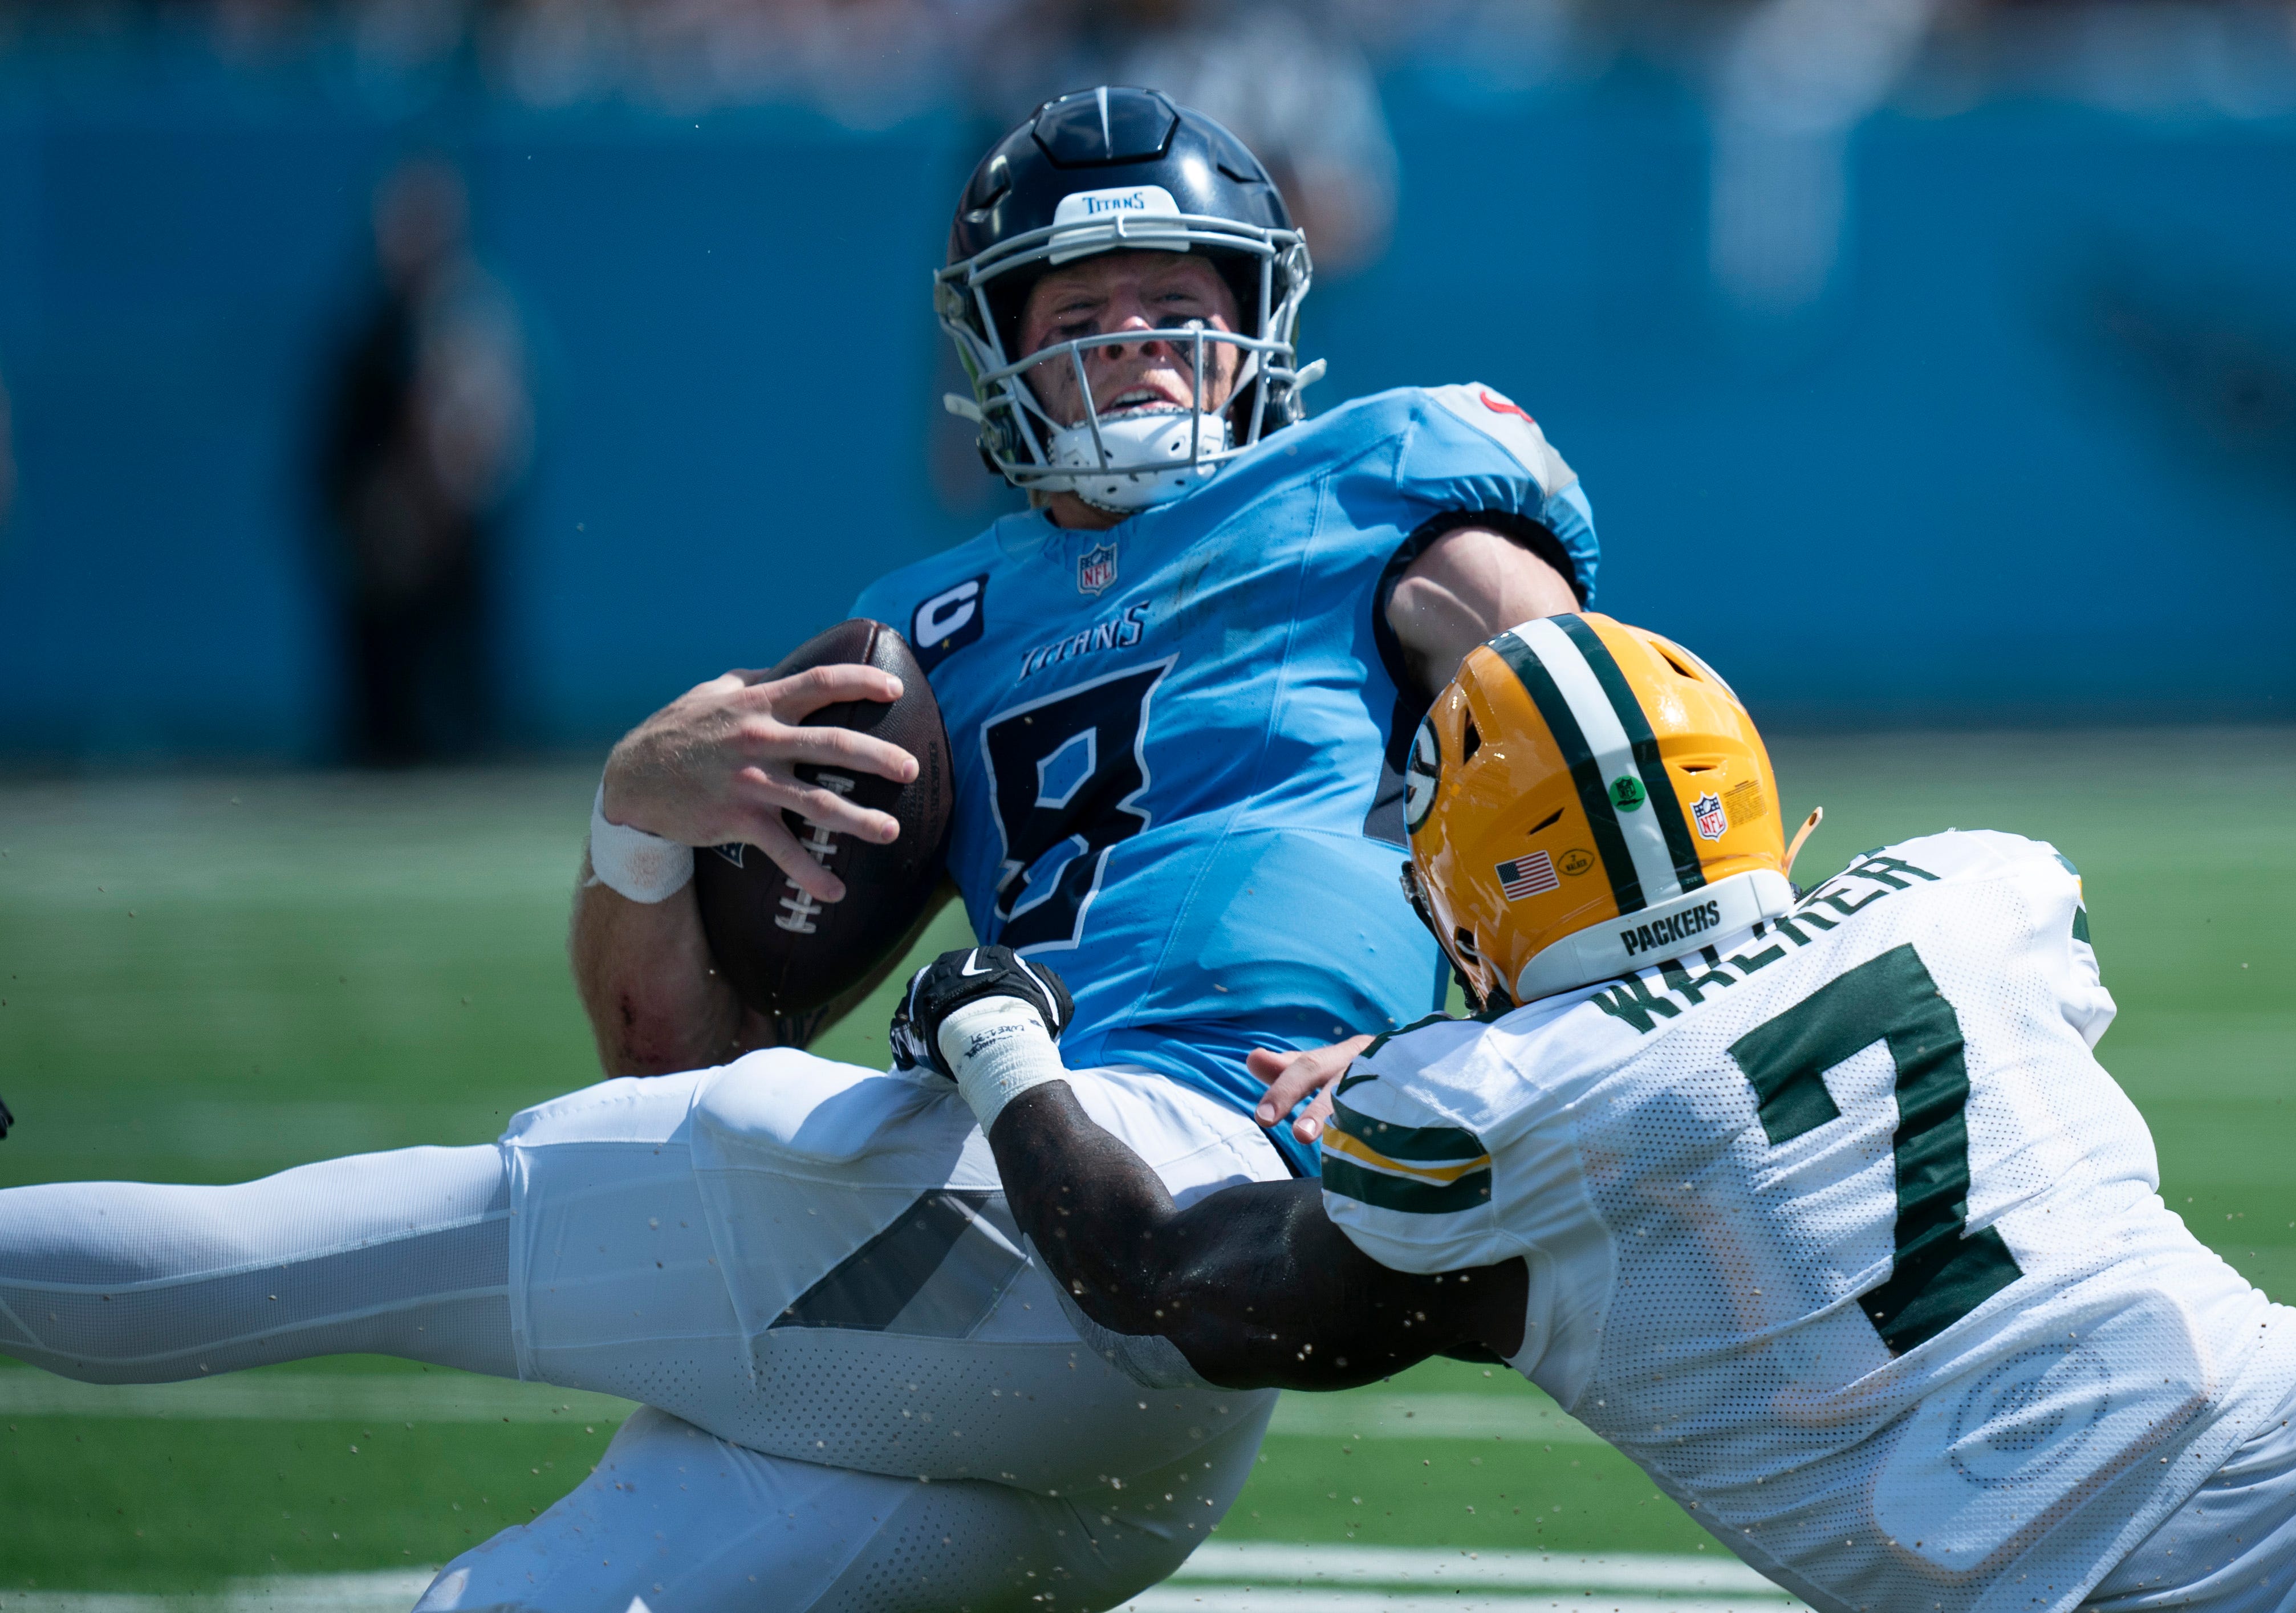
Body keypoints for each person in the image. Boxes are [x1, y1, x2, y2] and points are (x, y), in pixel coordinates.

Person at [0, 89, 1596, 1611]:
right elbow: (666, 1053)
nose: (1132, 352)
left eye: (1171, 307)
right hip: (1099, 1355)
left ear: (1255, 321)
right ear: (996, 350)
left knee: (277, 1252)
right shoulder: (927, 633)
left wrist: (1469, 1034)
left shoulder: (1373, 484)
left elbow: (1599, 748)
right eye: (1079, 318)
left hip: (1138, 1228)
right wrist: (635, 816)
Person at [908, 611, 2296, 1613]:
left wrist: (991, 1032)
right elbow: (1736, 1062)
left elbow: (1161, 1272)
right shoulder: (1973, 888)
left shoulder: (1487, 1103)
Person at [316, 157, 530, 767]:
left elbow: (492, 433)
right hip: (376, 539)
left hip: (448, 540)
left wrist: (438, 499)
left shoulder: (466, 312)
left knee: (449, 710)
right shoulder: (367, 323)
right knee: (377, 709)